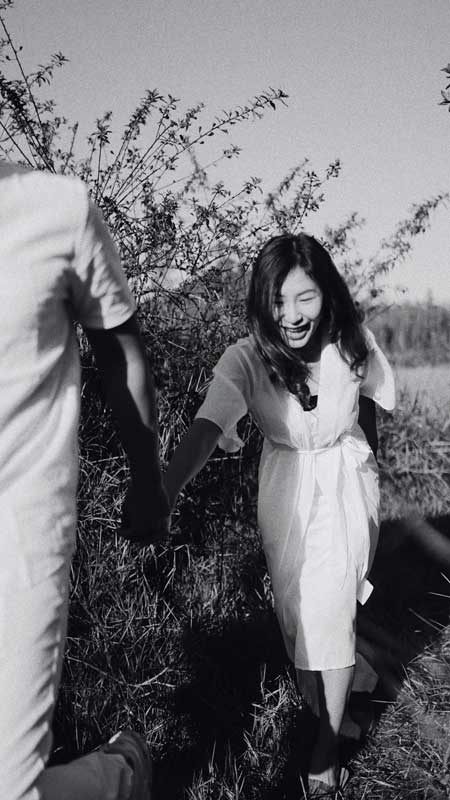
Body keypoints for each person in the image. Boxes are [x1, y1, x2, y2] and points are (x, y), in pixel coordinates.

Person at [163, 233, 395, 798]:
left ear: (327, 293)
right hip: (286, 490)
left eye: (305, 297)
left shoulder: (351, 345)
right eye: (278, 300)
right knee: (297, 612)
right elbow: (209, 425)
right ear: (261, 301)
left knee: (331, 605)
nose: (291, 316)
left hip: (344, 484)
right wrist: (163, 490)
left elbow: (372, 412)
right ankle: (338, 695)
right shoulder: (245, 359)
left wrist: (372, 484)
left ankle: (326, 745)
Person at [0, 161, 170, 800]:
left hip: (19, 528)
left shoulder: (58, 210)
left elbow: (121, 355)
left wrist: (148, 483)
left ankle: (121, 774)